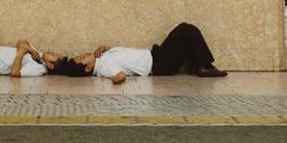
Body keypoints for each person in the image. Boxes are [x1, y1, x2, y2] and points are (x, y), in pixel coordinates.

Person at [60, 22, 227, 83]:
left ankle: (197, 65)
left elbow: (121, 56)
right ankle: (204, 65)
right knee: (185, 30)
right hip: (159, 64)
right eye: (83, 58)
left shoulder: (102, 59)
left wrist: (105, 48)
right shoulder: (104, 68)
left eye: (82, 54)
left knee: (183, 36)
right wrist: (114, 78)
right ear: (88, 69)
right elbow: (119, 75)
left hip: (155, 56)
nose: (85, 54)